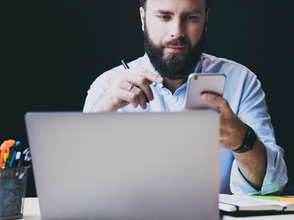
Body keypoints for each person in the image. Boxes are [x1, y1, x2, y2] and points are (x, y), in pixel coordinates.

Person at [83, 0, 288, 195]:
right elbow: (82, 185)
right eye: (164, 16)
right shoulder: (107, 87)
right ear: (143, 19)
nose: (177, 32)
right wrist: (101, 114)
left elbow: (272, 187)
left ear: (206, 19)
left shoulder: (241, 82)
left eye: (191, 17)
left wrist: (243, 140)